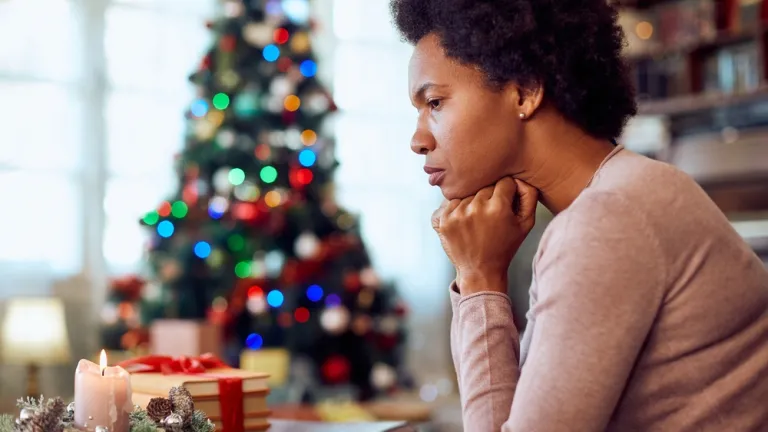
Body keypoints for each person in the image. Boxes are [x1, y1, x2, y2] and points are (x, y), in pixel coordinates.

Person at [390, 0, 768, 430]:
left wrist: (479, 278)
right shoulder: (624, 196)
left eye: (435, 102)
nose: (418, 140)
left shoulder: (609, 221)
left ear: (525, 91)